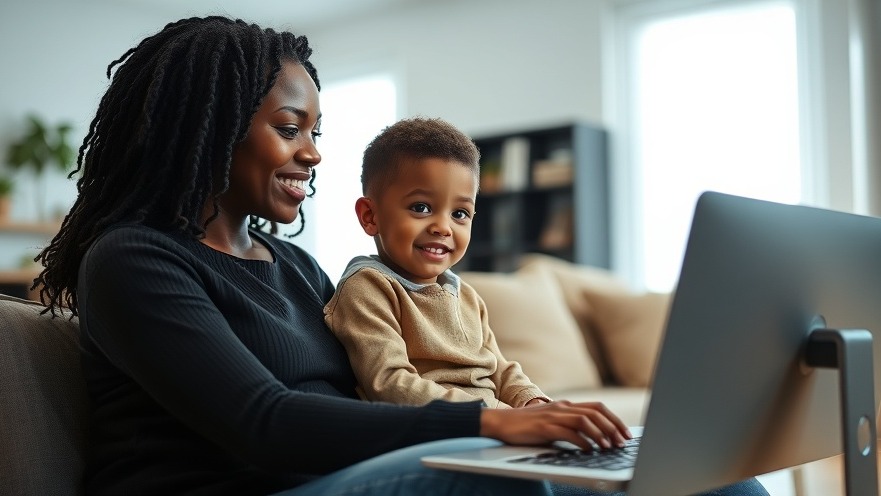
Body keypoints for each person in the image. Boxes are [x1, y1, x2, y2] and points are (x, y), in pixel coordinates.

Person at [33, 15, 770, 496]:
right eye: (291, 127)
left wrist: (537, 417)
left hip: (335, 477)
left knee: (707, 478)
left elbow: (371, 390)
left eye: (317, 129)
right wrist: (487, 425)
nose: (314, 152)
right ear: (210, 125)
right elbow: (263, 421)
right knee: (495, 480)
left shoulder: (291, 267)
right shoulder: (134, 261)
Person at [324, 117, 550, 409]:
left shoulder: (466, 296)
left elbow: (500, 369)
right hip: (441, 431)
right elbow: (390, 384)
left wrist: (536, 405)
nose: (443, 227)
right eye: (421, 208)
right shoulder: (368, 288)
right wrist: (497, 416)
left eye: (459, 213)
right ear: (370, 216)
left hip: (495, 426)